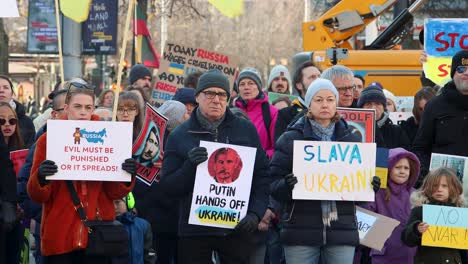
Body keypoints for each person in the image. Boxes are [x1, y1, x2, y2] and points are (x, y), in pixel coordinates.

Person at [160, 69, 270, 263]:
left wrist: (255, 213)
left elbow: (262, 175)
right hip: (194, 231)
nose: (216, 99)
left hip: (236, 228)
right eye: (209, 93)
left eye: (222, 94)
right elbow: (168, 187)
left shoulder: (245, 130)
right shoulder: (180, 135)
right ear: (197, 97)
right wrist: (189, 167)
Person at [269, 78, 380, 264]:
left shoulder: (351, 141)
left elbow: (356, 195)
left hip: (341, 231)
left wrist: (369, 187)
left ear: (336, 103)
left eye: (329, 99)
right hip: (300, 230)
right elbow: (273, 184)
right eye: (318, 100)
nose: (325, 104)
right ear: (309, 104)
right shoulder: (290, 139)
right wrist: (287, 185)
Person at [27, 80, 136, 263]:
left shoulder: (110, 137)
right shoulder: (48, 140)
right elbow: (37, 195)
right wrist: (41, 177)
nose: (83, 112)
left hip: (98, 237)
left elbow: (115, 193)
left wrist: (126, 175)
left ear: (94, 108)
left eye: (88, 107)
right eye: (77, 106)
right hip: (60, 237)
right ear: (67, 108)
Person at [17, 88, 68, 264]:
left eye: (86, 107)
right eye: (68, 109)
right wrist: (48, 216)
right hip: (52, 233)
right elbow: (25, 189)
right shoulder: (42, 143)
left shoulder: (95, 144)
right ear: (54, 114)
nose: (79, 113)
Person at [413, 50, 468, 181]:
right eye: (461, 69)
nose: (466, 73)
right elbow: (420, 148)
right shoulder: (434, 106)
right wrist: (430, 177)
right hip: (443, 186)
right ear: (453, 73)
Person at [363, 148, 420, 264]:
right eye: (397, 167)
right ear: (388, 169)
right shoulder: (378, 192)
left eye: (406, 168)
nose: (402, 171)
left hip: (410, 256)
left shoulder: (416, 195)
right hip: (383, 256)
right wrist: (369, 193)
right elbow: (365, 217)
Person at [401, 167, 464, 264]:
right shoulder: (420, 210)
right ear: (427, 187)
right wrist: (416, 229)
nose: (439, 189)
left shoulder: (459, 213)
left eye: (444, 186)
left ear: (453, 188)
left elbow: (464, 249)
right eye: (435, 186)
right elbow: (406, 239)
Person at [235, 67, 278, 158]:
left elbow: (277, 146)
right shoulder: (231, 111)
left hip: (261, 168)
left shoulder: (272, 113)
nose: (246, 87)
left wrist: (263, 157)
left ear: (258, 87)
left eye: (251, 83)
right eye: (242, 84)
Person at [274, 61, 321, 141]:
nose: (318, 80)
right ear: (299, 85)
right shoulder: (285, 115)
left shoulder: (331, 111)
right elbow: (281, 147)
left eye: (319, 76)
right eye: (312, 77)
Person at [357, 85, 410, 149]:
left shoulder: (397, 132)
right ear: (361, 108)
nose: (373, 108)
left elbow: (406, 154)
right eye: (368, 104)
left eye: (378, 104)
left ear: (383, 108)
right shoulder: (353, 130)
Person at [0, 103, 21, 263]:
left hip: (18, 216)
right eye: (1, 121)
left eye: (12, 121)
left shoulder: (23, 149)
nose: (7, 125)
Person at [113, 193, 156, 264]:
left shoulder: (143, 225)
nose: (114, 207)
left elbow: (150, 252)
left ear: (129, 203)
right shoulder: (105, 225)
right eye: (111, 203)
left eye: (117, 202)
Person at [0, 75, 35, 147]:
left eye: (6, 87)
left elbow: (31, 151)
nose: (1, 90)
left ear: (12, 93)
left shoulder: (26, 121)